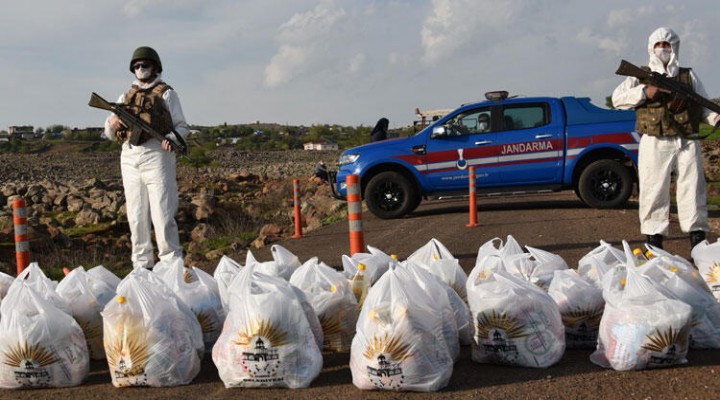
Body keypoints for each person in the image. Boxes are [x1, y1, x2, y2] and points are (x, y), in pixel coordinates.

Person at [612, 27, 720, 250]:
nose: (663, 49)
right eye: (659, 45)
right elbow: (618, 99)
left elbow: (702, 104)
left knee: (693, 189)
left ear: (675, 47)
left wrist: (715, 118)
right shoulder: (640, 75)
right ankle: (654, 244)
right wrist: (644, 93)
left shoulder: (688, 75)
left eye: (667, 45)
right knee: (653, 190)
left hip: (687, 139)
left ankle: (698, 243)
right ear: (651, 48)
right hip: (655, 140)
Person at [103, 46, 189, 269]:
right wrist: (111, 123)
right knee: (136, 215)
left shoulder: (167, 93)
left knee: (162, 213)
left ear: (155, 67)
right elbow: (110, 130)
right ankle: (142, 266)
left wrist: (171, 139)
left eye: (145, 65)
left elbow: (182, 126)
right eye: (137, 66)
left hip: (157, 155)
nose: (141, 69)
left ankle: (171, 266)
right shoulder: (126, 95)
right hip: (130, 156)